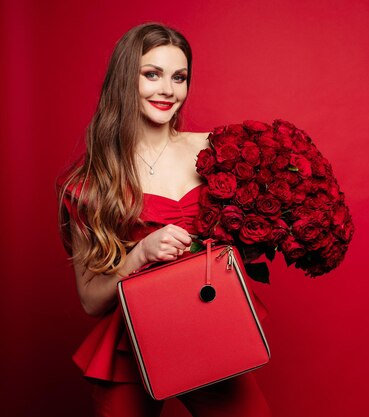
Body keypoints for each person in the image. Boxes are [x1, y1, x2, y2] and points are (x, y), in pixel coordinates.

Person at [57, 23, 271, 417]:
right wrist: (139, 254)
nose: (168, 90)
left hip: (211, 322)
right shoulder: (89, 183)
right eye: (151, 74)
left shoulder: (216, 149)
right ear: (125, 79)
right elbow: (90, 299)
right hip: (133, 340)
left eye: (179, 77)